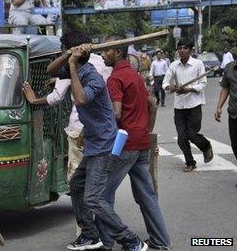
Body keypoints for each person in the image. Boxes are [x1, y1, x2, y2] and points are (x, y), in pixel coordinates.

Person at [65, 38, 147, 251]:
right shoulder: (78, 70)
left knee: (93, 198)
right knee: (76, 185)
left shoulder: (94, 78)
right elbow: (51, 69)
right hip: (94, 144)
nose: (105, 52)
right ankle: (90, 235)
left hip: (105, 146)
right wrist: (68, 57)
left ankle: (130, 239)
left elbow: (81, 99)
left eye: (109, 48)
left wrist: (72, 64)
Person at [103, 36, 171, 250]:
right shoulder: (134, 75)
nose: (104, 54)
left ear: (119, 53)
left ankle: (106, 241)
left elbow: (115, 114)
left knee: (100, 195)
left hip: (124, 144)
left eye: (107, 50)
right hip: (141, 143)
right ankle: (160, 241)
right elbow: (152, 105)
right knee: (146, 195)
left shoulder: (115, 79)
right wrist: (146, 131)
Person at [23, 31, 112, 182]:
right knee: (82, 183)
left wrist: (33, 100)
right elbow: (51, 70)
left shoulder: (89, 74)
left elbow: (69, 98)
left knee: (80, 180)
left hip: (87, 131)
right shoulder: (92, 63)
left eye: (62, 50)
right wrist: (68, 57)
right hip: (87, 128)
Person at [162, 39, 213, 172]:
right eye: (180, 48)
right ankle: (190, 162)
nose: (182, 50)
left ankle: (206, 146)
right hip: (179, 107)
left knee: (192, 134)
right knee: (181, 138)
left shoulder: (198, 64)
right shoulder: (173, 65)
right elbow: (165, 83)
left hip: (194, 105)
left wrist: (188, 89)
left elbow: (203, 84)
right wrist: (170, 87)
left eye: (185, 48)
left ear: (190, 50)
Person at [215, 59, 237, 186]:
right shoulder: (229, 68)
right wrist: (219, 107)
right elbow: (225, 89)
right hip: (234, 114)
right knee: (235, 145)